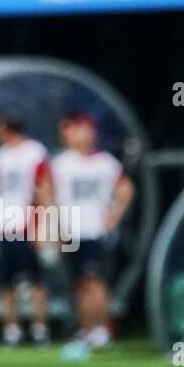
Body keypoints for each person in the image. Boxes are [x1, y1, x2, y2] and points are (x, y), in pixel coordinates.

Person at [49, 115, 134, 350]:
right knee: (79, 283)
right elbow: (49, 196)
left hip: (93, 230)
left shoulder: (105, 163)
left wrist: (114, 215)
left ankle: (102, 328)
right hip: (70, 230)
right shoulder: (60, 163)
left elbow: (125, 189)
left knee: (94, 280)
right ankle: (86, 329)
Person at [0, 115, 50, 347]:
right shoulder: (2, 154)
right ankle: (12, 329)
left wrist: (45, 223)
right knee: (6, 281)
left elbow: (43, 187)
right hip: (4, 222)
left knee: (35, 280)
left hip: (26, 222)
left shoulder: (34, 151)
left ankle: (39, 328)